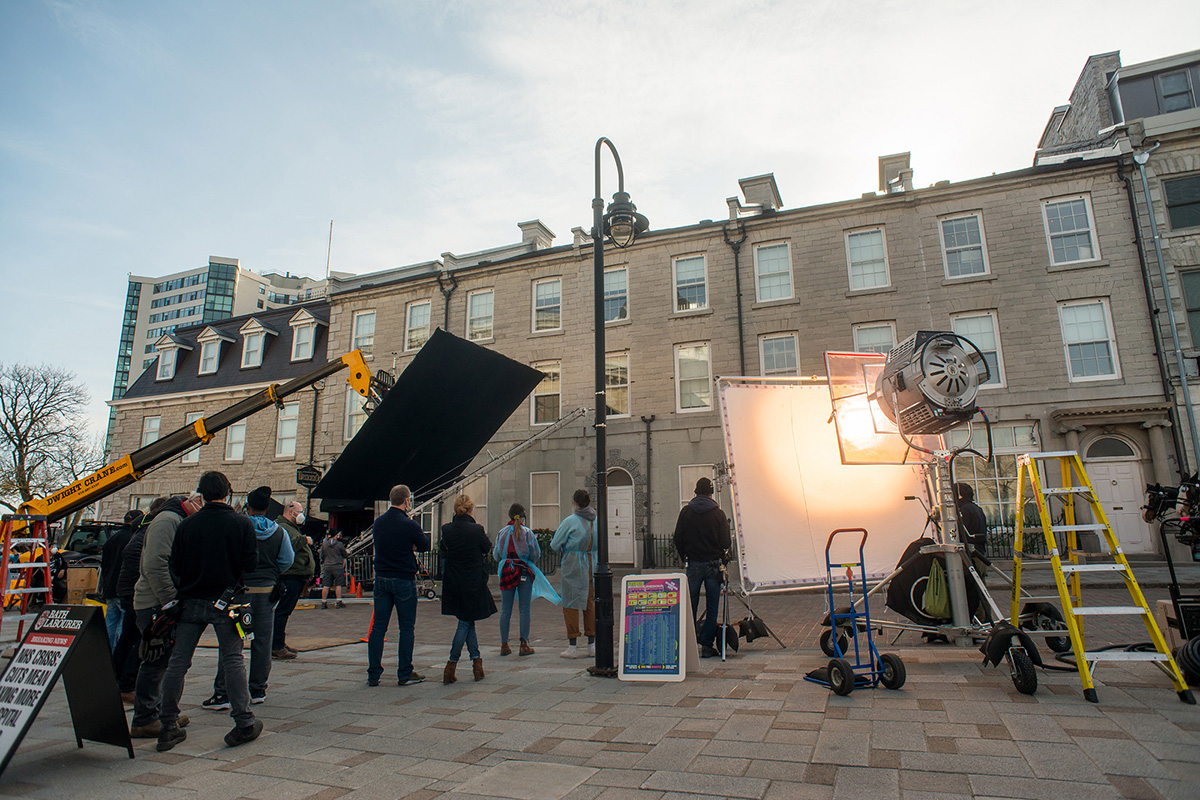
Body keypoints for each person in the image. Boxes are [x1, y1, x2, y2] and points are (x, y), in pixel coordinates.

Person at [156, 471, 261, 752]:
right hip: (227, 601)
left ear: (201, 494)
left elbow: (174, 564)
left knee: (178, 662)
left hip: (191, 600)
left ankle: (167, 725)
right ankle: (243, 721)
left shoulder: (187, 525)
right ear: (227, 492)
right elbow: (251, 564)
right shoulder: (241, 523)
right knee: (233, 659)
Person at [205, 486, 293, 710]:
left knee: (232, 643)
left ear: (248, 506)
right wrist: (272, 573)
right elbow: (287, 560)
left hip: (238, 590)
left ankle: (223, 692)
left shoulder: (237, 527)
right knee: (262, 641)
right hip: (266, 591)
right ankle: (258, 689)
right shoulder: (278, 531)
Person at [128, 493, 199, 739]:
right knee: (156, 660)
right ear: (190, 501)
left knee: (167, 661)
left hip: (162, 602)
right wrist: (169, 600)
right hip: (155, 603)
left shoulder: (175, 520)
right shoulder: (168, 520)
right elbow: (155, 563)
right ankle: (145, 718)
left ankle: (161, 711)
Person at [367, 484, 430, 687]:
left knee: (378, 628)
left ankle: (374, 674)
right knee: (406, 627)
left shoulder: (378, 523)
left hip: (382, 577)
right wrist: (411, 544)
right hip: (403, 577)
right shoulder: (409, 524)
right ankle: (404, 672)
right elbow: (425, 546)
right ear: (406, 500)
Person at [439, 495, 496, 684]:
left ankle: (477, 663)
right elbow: (487, 548)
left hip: (454, 581)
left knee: (467, 621)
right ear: (471, 510)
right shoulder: (476, 529)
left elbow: (443, 550)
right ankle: (451, 663)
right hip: (473, 581)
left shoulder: (447, 529)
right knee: (464, 623)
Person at [673, 477, 731, 659]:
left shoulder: (686, 512)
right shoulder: (718, 514)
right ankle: (707, 645)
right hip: (713, 564)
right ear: (710, 493)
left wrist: (685, 557)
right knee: (712, 605)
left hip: (694, 564)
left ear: (696, 492)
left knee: (691, 605)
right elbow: (725, 542)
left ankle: (688, 645)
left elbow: (678, 538)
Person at [111, 501, 161, 703]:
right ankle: (127, 683)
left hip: (127, 591)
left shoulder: (137, 534)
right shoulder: (148, 536)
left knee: (128, 636)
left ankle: (117, 678)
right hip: (138, 594)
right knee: (142, 638)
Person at [493, 503, 559, 656]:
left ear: (509, 515)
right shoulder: (527, 533)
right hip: (523, 570)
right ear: (522, 516)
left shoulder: (501, 533)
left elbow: (496, 555)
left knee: (505, 610)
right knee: (524, 609)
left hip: (506, 571)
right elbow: (535, 553)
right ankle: (524, 644)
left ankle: (504, 644)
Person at [550, 489, 597, 659]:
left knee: (570, 603)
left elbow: (555, 544)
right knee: (589, 602)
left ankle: (572, 646)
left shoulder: (570, 521)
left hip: (574, 562)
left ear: (575, 503)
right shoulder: (597, 520)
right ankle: (592, 645)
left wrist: (565, 547)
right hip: (592, 561)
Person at [272, 501, 313, 660]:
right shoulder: (283, 527)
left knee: (285, 611)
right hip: (290, 576)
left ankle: (279, 643)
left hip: (297, 575)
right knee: (282, 611)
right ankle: (277, 645)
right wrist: (304, 540)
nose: (302, 514)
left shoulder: (291, 528)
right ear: (291, 512)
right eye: (300, 511)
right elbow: (288, 546)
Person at [100, 510, 141, 650]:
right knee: (123, 628)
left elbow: (104, 565)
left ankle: (107, 654)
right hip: (123, 590)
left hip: (110, 587)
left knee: (110, 624)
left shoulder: (112, 538)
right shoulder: (134, 539)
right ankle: (117, 657)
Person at [955, 482, 988, 555]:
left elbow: (961, 532)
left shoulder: (964, 510)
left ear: (959, 496)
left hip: (970, 551)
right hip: (980, 550)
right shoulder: (977, 508)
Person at [320, 530, 347, 609]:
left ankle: (324, 602)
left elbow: (321, 556)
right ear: (335, 536)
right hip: (338, 566)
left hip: (327, 566)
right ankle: (338, 601)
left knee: (326, 585)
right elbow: (344, 554)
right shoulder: (339, 544)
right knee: (338, 584)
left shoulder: (324, 545)